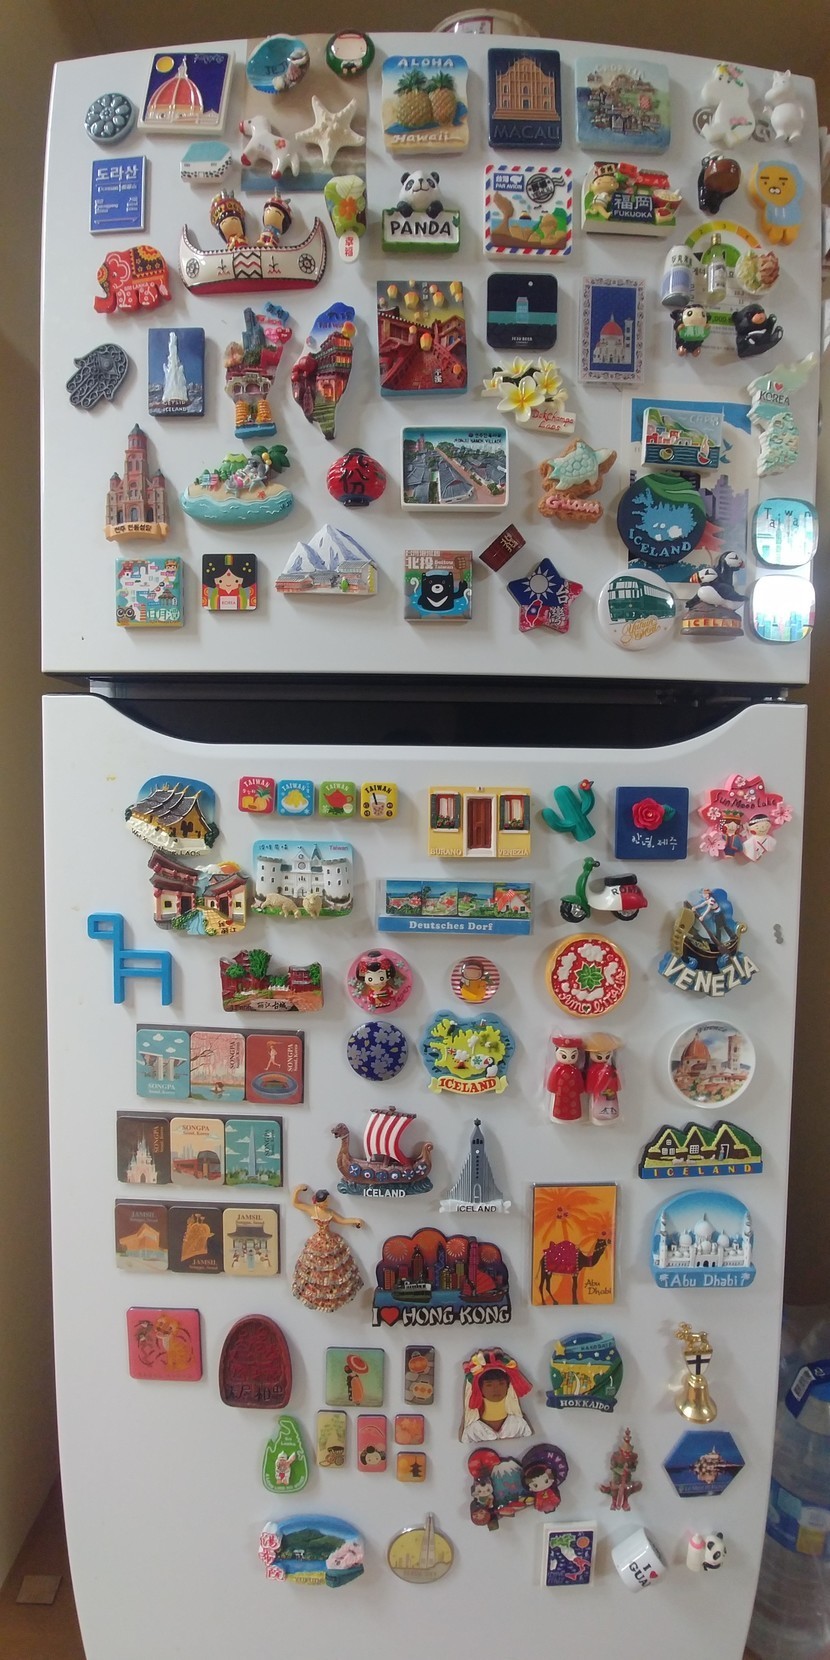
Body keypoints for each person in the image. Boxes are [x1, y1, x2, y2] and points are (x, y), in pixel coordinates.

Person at [291, 1186, 364, 1312]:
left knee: (335, 1268)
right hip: (317, 1243)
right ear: (317, 1202)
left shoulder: (329, 1213)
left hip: (331, 1241)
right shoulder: (312, 1210)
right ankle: (319, 1297)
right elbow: (296, 1203)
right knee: (316, 1268)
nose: (326, 1204)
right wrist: (298, 1190)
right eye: (324, 1202)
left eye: (327, 1201)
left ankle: (333, 1296)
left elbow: (342, 1220)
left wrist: (354, 1220)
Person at [461, 1349, 533, 1442]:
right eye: (489, 1385)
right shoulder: (473, 1431)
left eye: (501, 1383)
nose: (496, 1389)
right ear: (480, 1388)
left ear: (508, 1386)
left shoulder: (519, 1425)